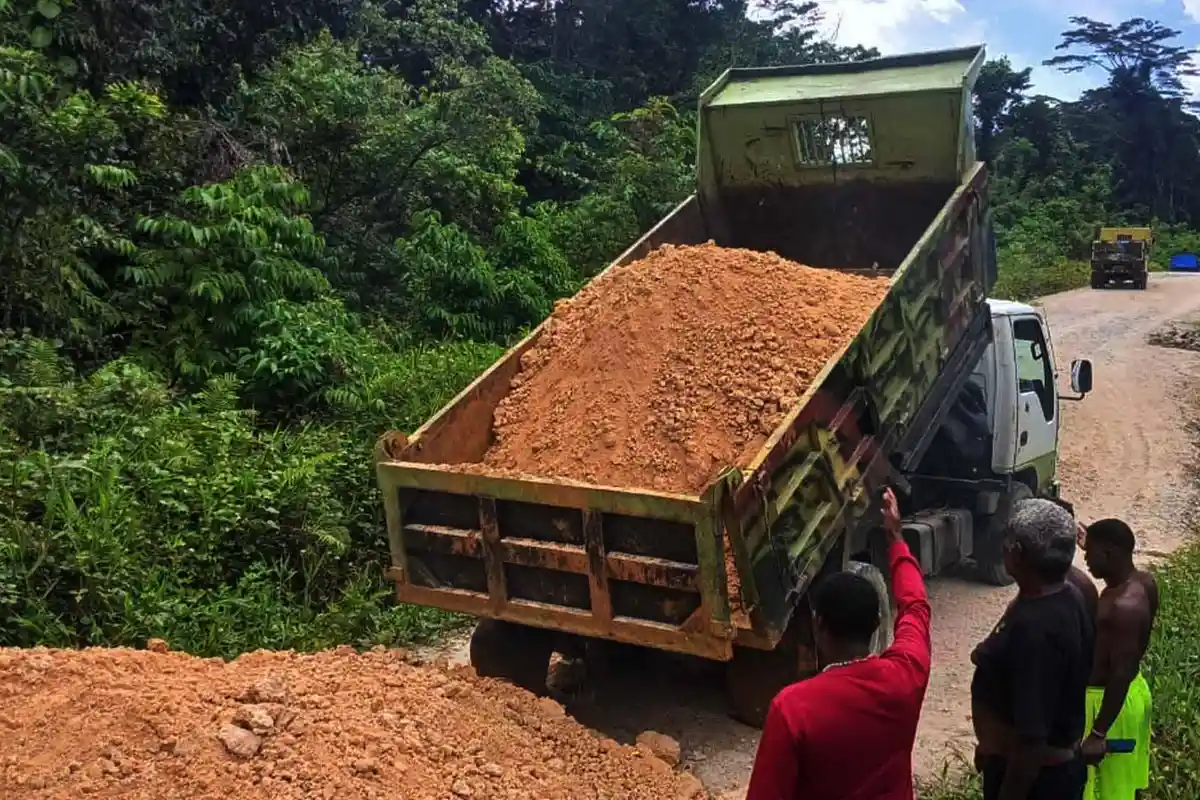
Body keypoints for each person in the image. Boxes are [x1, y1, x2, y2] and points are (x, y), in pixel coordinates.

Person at [745, 487, 931, 800]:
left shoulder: (793, 709)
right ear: (876, 625)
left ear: (819, 625)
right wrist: (896, 539)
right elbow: (916, 607)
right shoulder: (906, 676)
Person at [971, 498, 1094, 800]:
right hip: (1041, 770)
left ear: (1016, 554)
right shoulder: (1066, 595)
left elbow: (1032, 740)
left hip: (1036, 781)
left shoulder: (1036, 629)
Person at [1079, 518, 1159, 800]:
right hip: (1133, 694)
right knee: (1124, 785)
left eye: (1089, 553)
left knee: (1107, 791)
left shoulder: (1123, 607)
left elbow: (1121, 671)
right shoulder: (1143, 581)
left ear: (1109, 553)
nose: (1085, 558)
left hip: (1112, 704)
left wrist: (1098, 733)